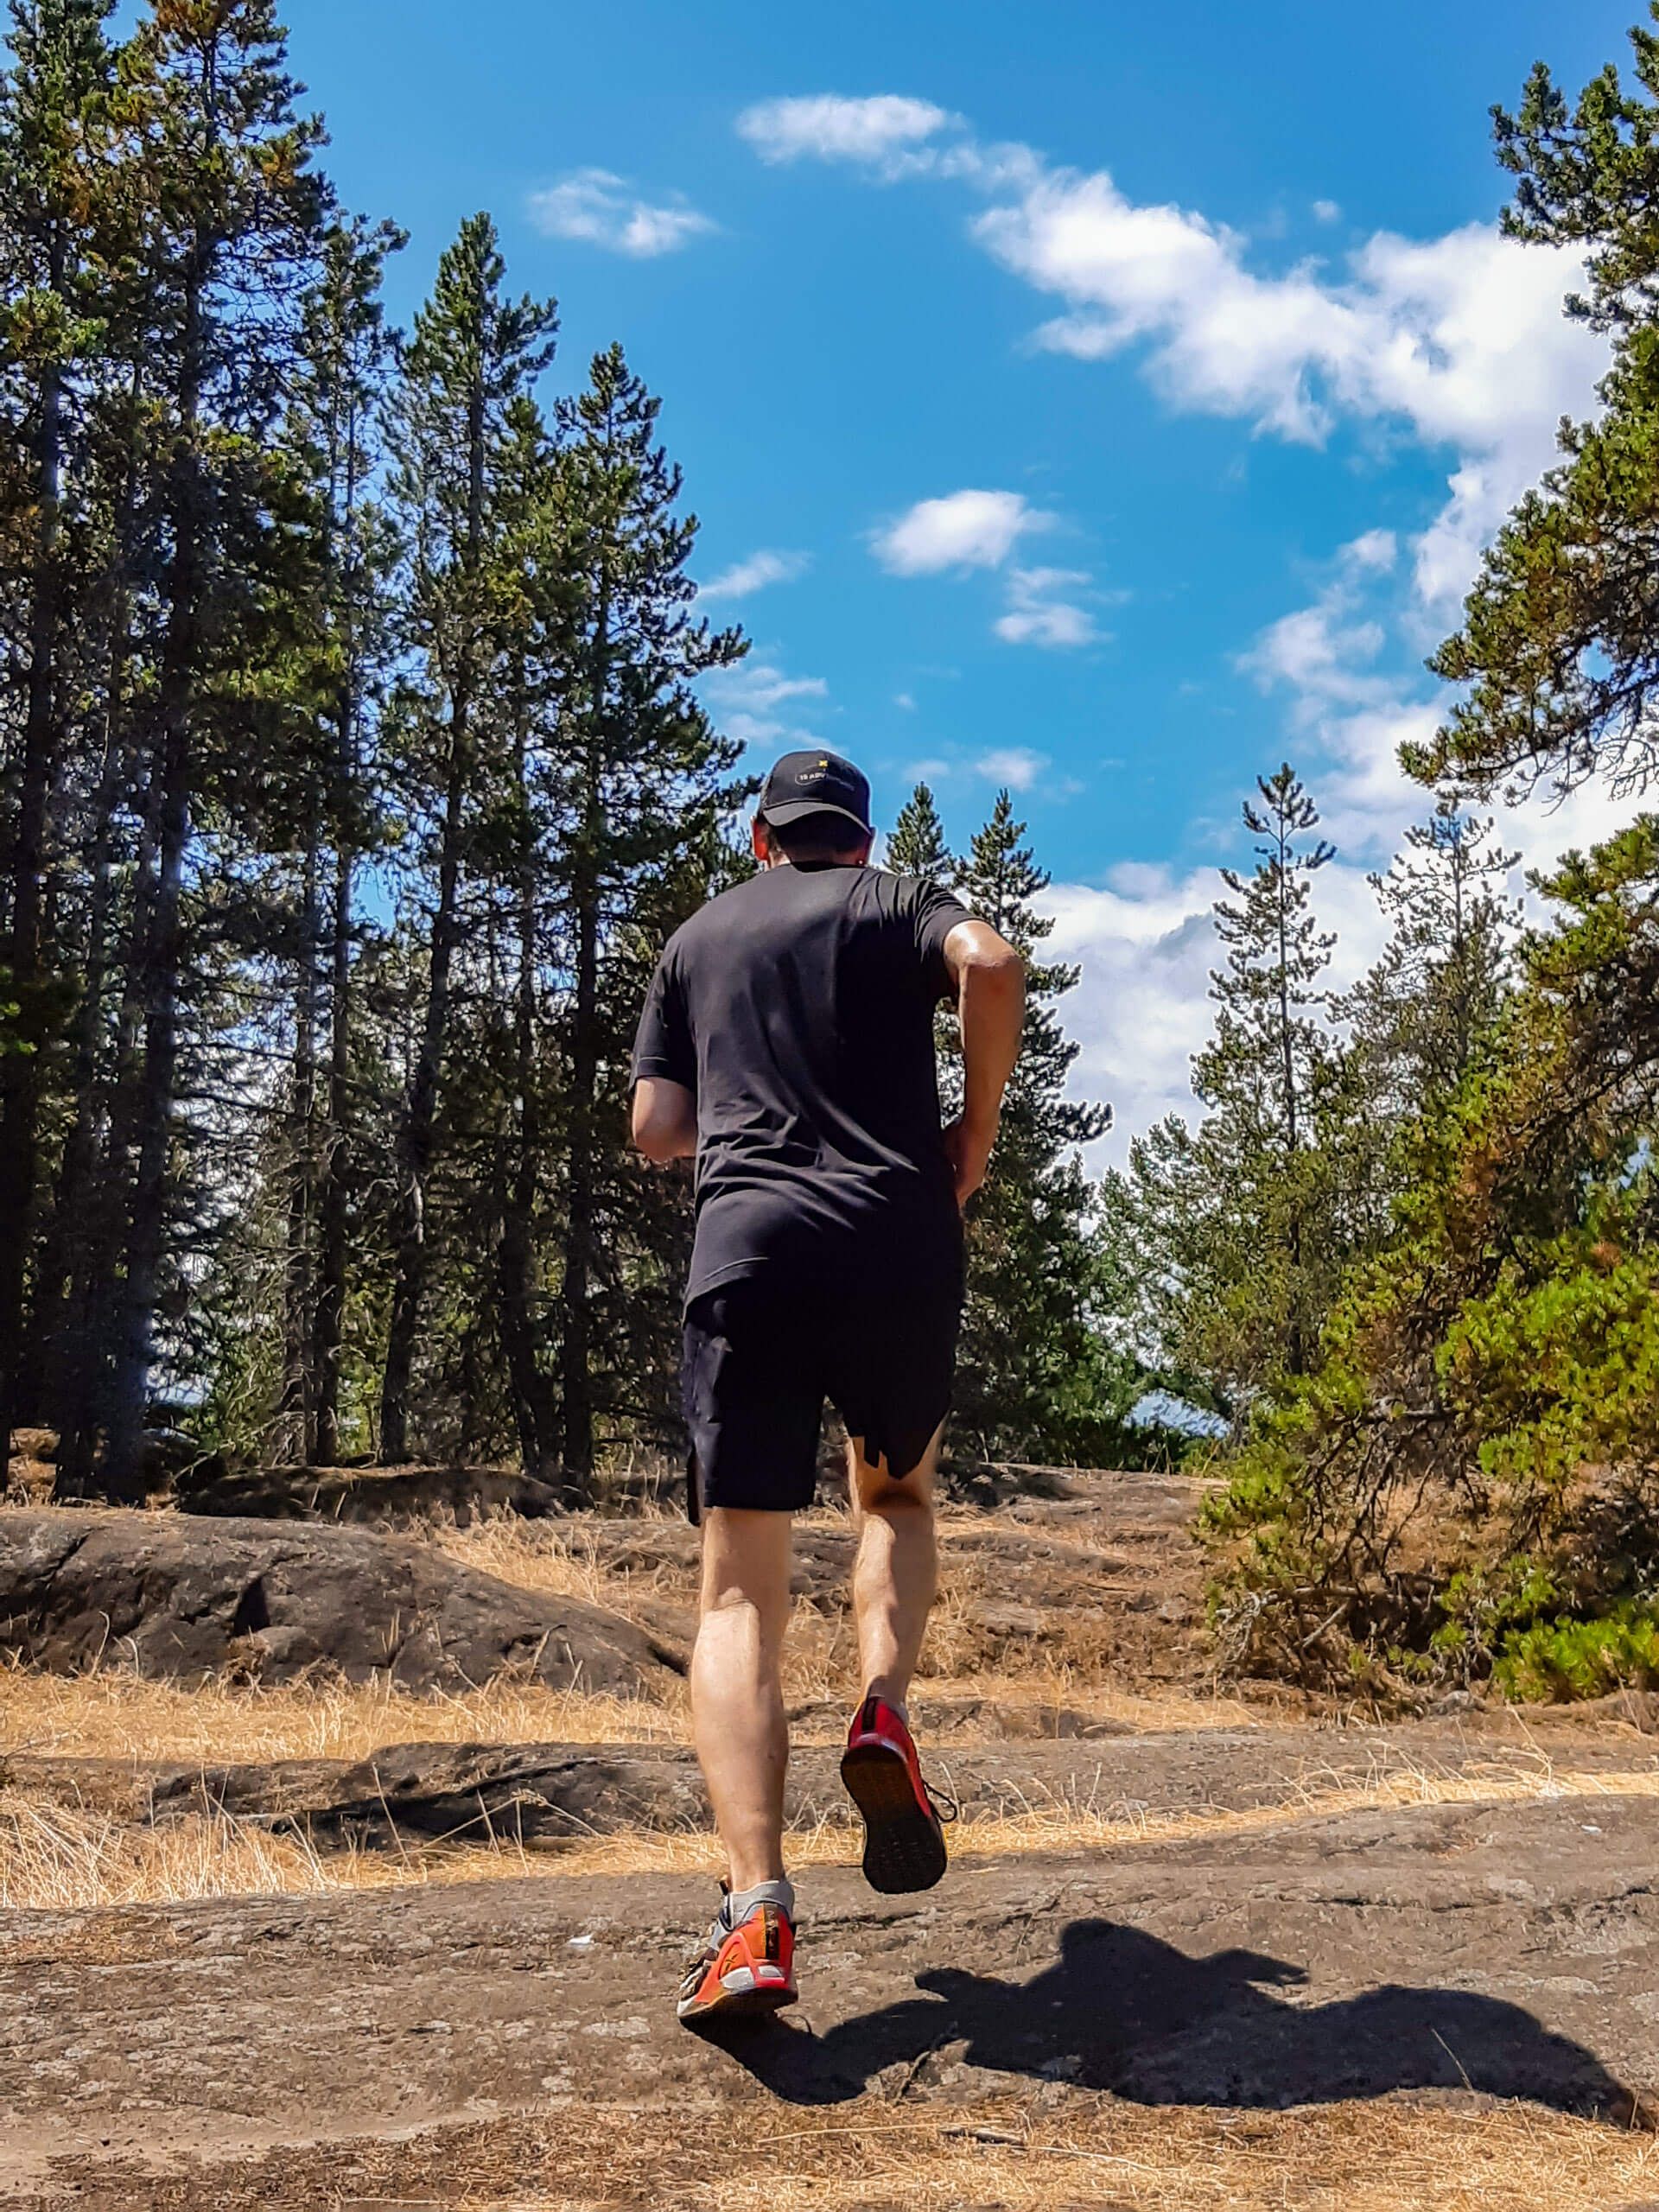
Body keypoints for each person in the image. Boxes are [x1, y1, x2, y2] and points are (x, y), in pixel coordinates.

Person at [629, 747, 1026, 2025]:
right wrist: (974, 1126)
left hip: (749, 1243)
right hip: (896, 1235)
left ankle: (754, 1917)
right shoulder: (900, 902)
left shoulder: (698, 938)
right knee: (895, 1500)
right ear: (857, 841)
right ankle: (886, 1712)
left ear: (762, 841)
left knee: (740, 1582)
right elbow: (998, 963)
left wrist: (744, 1115)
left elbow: (653, 1126)